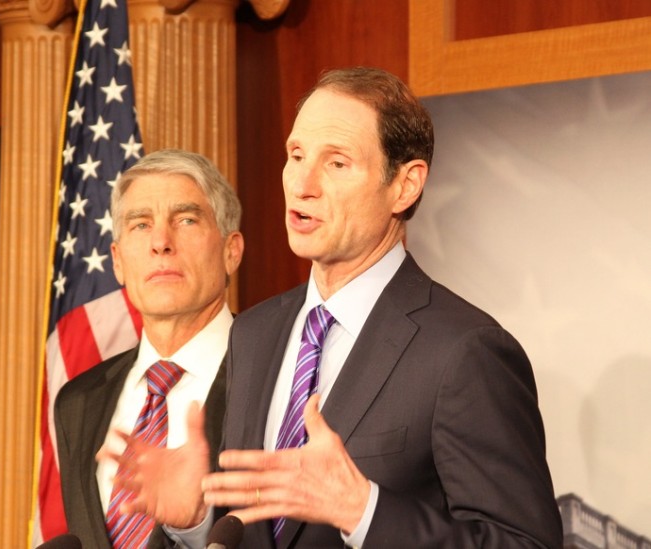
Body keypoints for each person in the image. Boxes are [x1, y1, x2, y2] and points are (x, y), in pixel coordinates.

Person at [114, 67, 564, 548]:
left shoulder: (464, 351)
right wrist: (197, 520)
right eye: (296, 154)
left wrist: (363, 510)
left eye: (337, 163)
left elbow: (526, 544)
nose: (302, 184)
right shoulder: (255, 332)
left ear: (405, 185)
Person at [54, 149, 244, 549]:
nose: (161, 242)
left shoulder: (276, 375)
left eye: (186, 220)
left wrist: (194, 529)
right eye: (141, 225)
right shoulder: (77, 402)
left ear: (231, 250)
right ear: (119, 263)